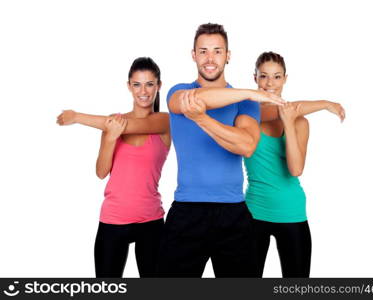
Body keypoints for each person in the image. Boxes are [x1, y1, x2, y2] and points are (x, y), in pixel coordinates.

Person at [156, 23, 287, 278]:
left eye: (217, 51)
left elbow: (247, 145)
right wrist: (250, 93)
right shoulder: (177, 91)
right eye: (203, 51)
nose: (210, 58)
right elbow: (198, 99)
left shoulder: (246, 104)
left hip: (233, 213)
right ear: (193, 55)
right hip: (187, 210)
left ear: (228, 56)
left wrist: (202, 119)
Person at [56, 57, 170, 277]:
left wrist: (77, 116)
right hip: (113, 218)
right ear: (129, 86)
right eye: (137, 84)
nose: (143, 91)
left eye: (149, 84)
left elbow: (134, 126)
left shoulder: (163, 121)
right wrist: (110, 138)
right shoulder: (111, 123)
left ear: (158, 86)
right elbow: (101, 172)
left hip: (151, 219)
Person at [244, 51, 345, 277]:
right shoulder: (245, 114)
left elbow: (296, 169)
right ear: (255, 78)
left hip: (291, 211)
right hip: (253, 212)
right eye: (264, 76)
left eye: (277, 77)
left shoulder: (300, 122)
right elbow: (270, 111)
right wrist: (324, 104)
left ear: (285, 79)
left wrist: (289, 123)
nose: (270, 83)